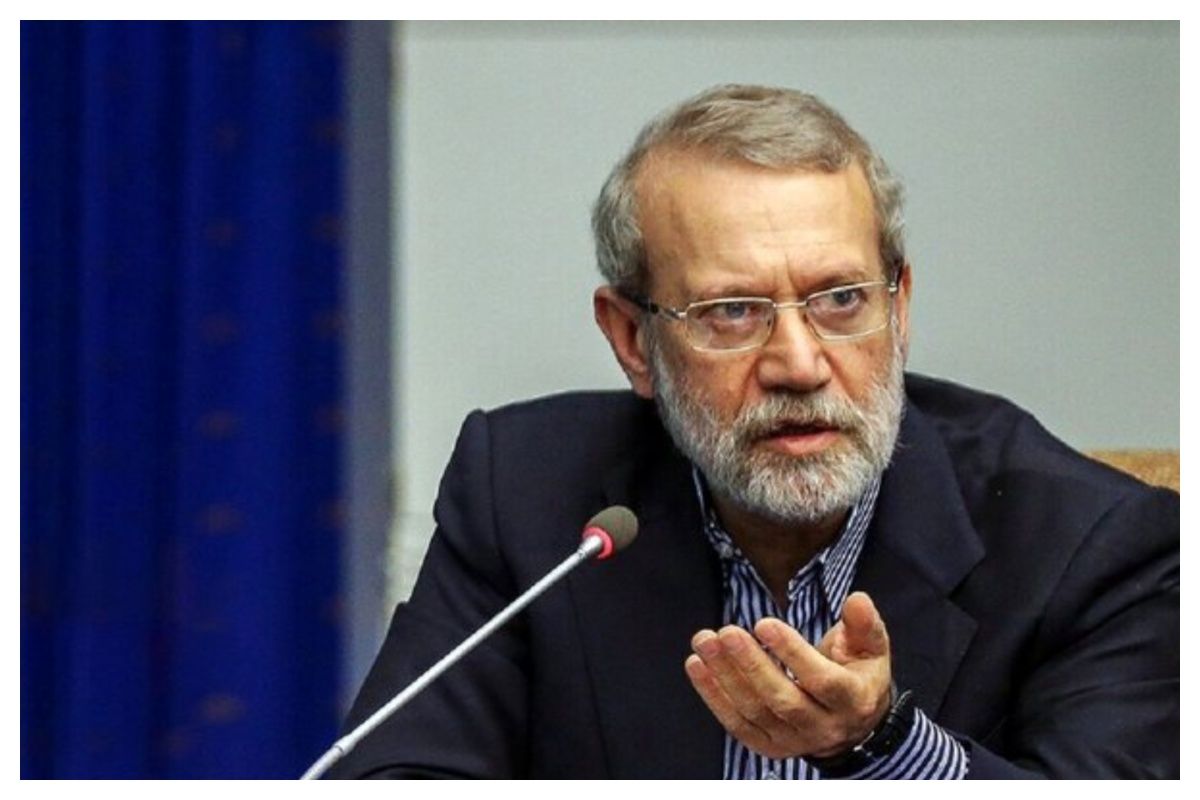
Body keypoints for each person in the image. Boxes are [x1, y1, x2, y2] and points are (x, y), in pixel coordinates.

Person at [330, 85, 1179, 779]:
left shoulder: (1090, 547)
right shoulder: (526, 494)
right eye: (732, 311)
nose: (799, 364)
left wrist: (883, 748)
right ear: (633, 341)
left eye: (841, 300)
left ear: (900, 308)